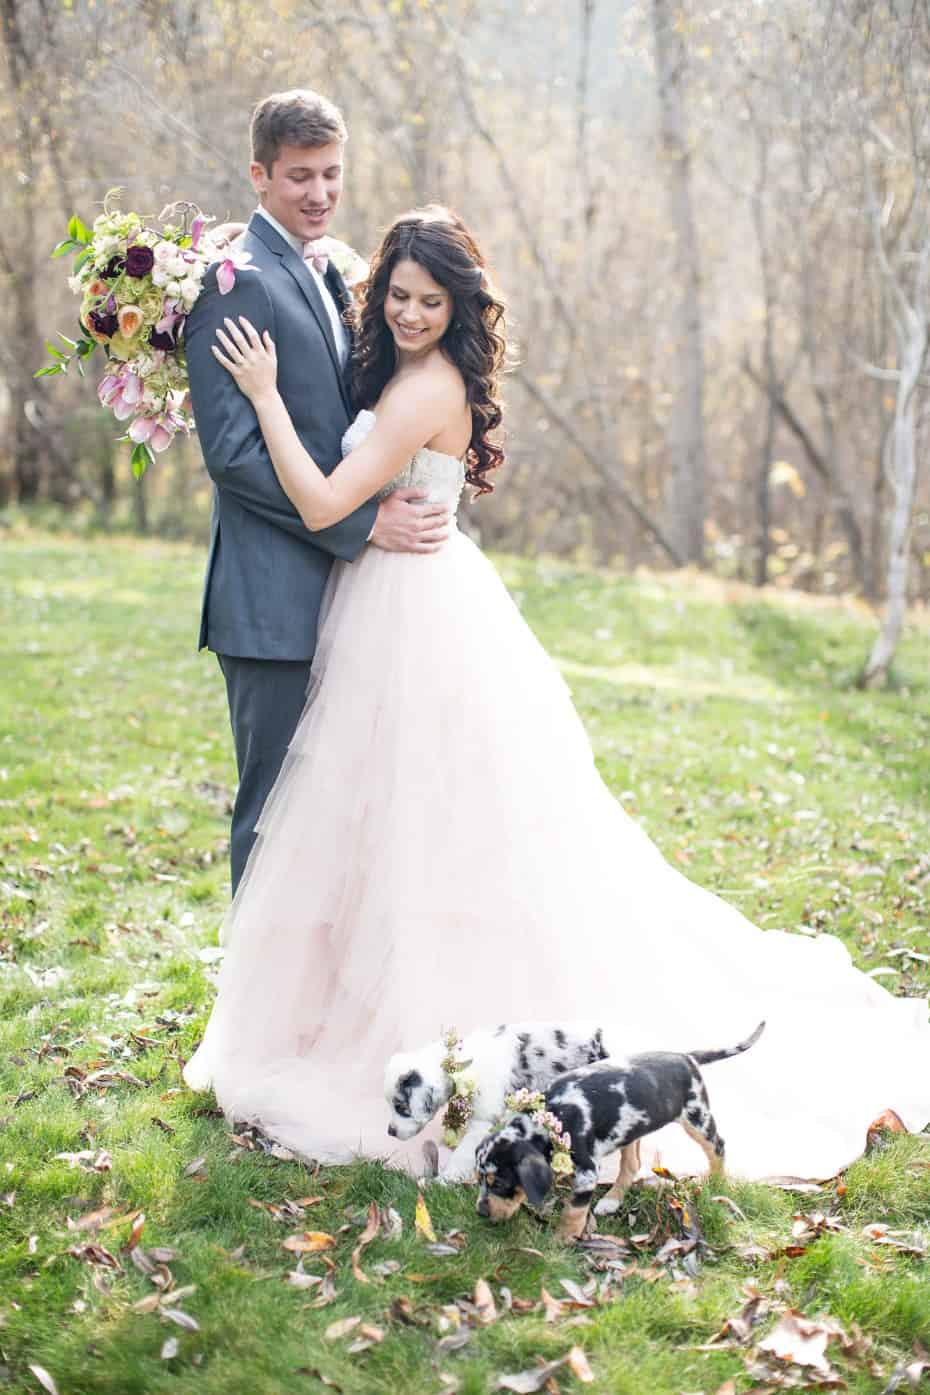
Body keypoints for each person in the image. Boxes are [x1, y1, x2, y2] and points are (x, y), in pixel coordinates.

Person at [183, 202, 930, 1183]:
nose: (410, 313)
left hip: (413, 616)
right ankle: (356, 1011)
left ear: (460, 307)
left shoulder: (424, 389)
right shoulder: (404, 371)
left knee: (428, 825)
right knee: (388, 824)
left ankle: (433, 1034)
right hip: (397, 602)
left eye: (430, 300)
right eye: (398, 295)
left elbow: (325, 501)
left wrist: (265, 394)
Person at [185, 89, 450, 895]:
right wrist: (363, 524)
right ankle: (249, 1015)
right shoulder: (237, 281)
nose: (319, 193)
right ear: (259, 175)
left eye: (332, 173)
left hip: (343, 604)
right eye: (300, 176)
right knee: (273, 815)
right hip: (270, 604)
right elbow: (232, 455)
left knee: (333, 818)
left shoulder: (330, 267)